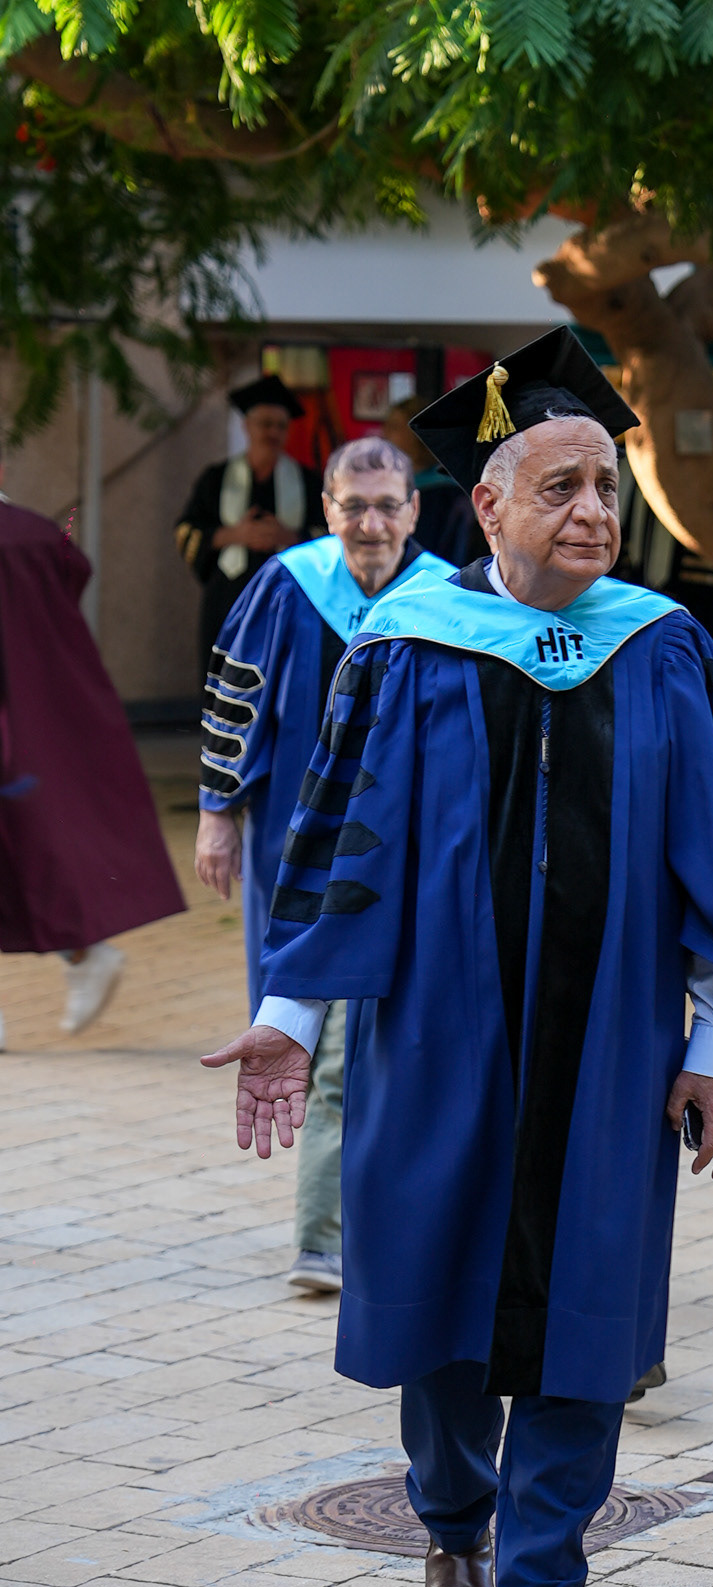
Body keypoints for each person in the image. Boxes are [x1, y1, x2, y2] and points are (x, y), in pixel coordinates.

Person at [202, 328, 713, 1587]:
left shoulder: (665, 649)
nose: (593, 511)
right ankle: (453, 1535)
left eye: (608, 488)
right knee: (449, 1291)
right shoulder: (408, 648)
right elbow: (336, 841)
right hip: (438, 1037)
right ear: (491, 505)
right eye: (562, 486)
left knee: (590, 1306)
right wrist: (289, 1014)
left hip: (612, 1048)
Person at [194, 438, 449, 1294]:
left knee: (386, 1034)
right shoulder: (287, 583)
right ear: (327, 509)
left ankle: (348, 1226)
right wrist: (216, 814)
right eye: (353, 506)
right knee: (310, 1020)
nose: (371, 524)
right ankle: (330, 1230)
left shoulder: (449, 598)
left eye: (387, 506)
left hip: (410, 850)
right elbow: (235, 699)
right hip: (295, 846)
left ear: (414, 510)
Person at [0, 472, 184, 1049]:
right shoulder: (38, 533)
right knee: (31, 841)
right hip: (38, 704)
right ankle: (82, 952)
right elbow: (74, 575)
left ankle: (83, 953)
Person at [175, 374, 325, 683]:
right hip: (228, 599)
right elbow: (186, 530)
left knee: (282, 683)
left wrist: (290, 537)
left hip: (288, 600)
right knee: (223, 682)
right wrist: (234, 535)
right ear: (247, 426)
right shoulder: (216, 479)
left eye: (280, 425)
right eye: (265, 424)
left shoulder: (309, 482)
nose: (273, 432)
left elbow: (330, 539)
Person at [383, 397, 482, 565]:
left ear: (416, 434)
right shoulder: (391, 485)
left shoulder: (444, 492)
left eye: (395, 427)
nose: (385, 433)